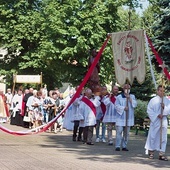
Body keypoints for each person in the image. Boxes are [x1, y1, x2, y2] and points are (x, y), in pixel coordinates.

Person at [145, 85, 170, 161]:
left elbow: (168, 111)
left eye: (163, 91)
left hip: (164, 120)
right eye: (160, 91)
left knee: (163, 137)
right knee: (153, 136)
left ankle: (161, 153)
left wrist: (164, 108)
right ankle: (151, 152)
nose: (162, 92)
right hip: (155, 120)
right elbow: (149, 110)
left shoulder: (167, 100)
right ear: (157, 91)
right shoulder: (153, 100)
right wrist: (157, 115)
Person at [115, 84, 137, 151]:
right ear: (123, 89)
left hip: (128, 117)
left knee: (126, 133)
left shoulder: (132, 96)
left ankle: (124, 145)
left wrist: (129, 98)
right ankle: (118, 145)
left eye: (129, 88)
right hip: (121, 117)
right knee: (119, 131)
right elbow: (116, 106)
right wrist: (123, 108)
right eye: (126, 88)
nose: (127, 90)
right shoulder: (119, 97)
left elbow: (135, 104)